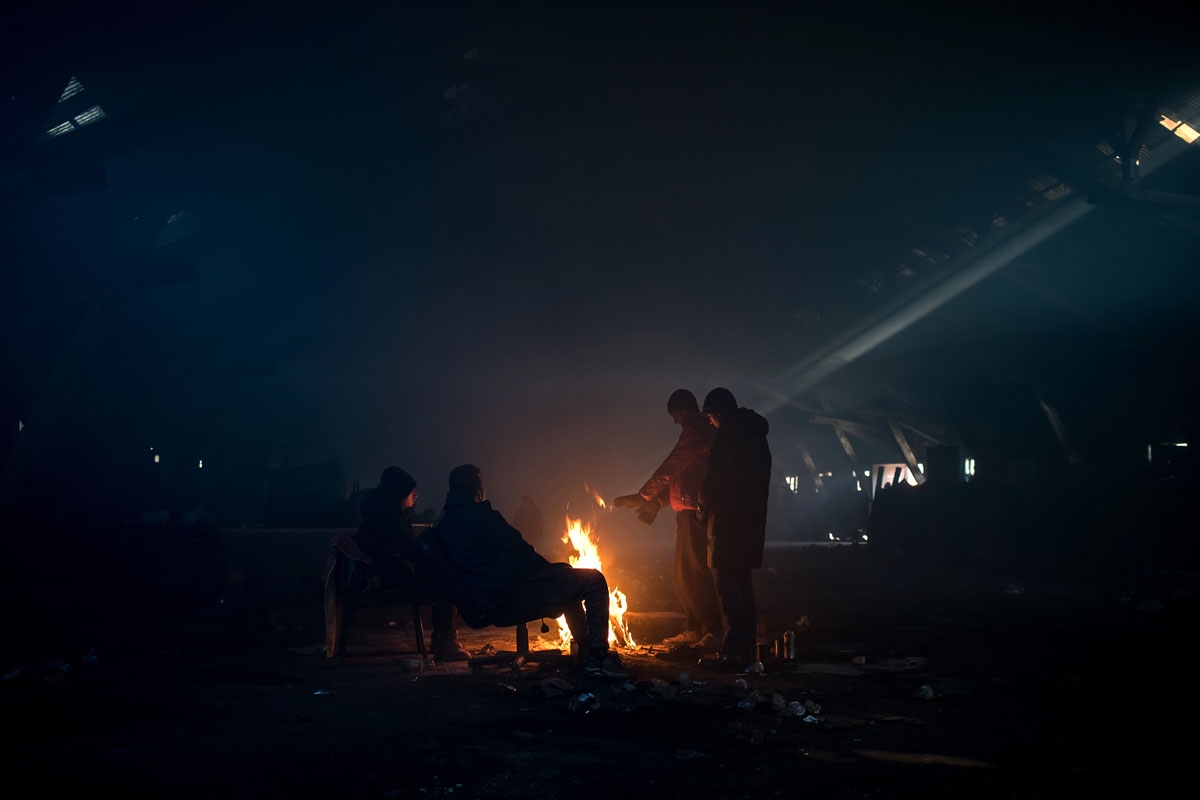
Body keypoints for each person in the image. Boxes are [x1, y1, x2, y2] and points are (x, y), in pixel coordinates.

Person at [435, 464, 633, 679]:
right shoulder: (483, 518)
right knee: (593, 579)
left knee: (568, 585)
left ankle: (588, 656)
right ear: (478, 492)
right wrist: (551, 571)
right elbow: (523, 553)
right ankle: (599, 657)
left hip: (482, 602)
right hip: (507, 598)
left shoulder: (444, 525)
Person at [613, 389, 722, 651]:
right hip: (687, 510)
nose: (675, 421)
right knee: (684, 574)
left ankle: (711, 631)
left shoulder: (696, 431)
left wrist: (643, 496)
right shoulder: (698, 432)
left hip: (694, 513)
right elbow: (682, 477)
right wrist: (657, 503)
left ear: (685, 410)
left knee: (694, 572)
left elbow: (670, 467)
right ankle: (694, 628)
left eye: (675, 415)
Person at [355, 466, 471, 662]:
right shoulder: (386, 519)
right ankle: (445, 641)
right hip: (387, 577)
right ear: (399, 494)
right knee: (445, 581)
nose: (415, 496)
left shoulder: (385, 514)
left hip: (389, 572)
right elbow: (408, 550)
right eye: (411, 492)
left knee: (442, 575)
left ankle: (443, 639)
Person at [696, 388, 772, 670]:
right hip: (750, 524)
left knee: (727, 587)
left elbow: (714, 478)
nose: (710, 423)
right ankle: (745, 649)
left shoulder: (729, 435)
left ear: (715, 413)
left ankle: (732, 653)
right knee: (742, 585)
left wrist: (702, 510)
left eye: (710, 418)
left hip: (728, 524)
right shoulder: (757, 436)